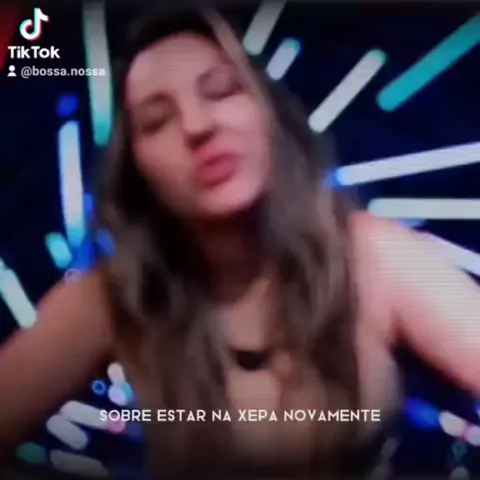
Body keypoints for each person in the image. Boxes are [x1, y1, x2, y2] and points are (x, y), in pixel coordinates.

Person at [1, 5, 479, 479]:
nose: (197, 126)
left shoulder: (373, 256)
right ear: (137, 170)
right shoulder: (119, 295)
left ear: (268, 112)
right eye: (157, 120)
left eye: (221, 90)